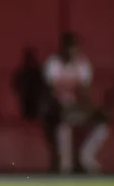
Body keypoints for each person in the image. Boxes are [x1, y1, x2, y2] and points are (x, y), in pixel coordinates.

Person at [43, 32, 109, 173]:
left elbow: (86, 92)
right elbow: (50, 93)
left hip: (77, 107)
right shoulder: (53, 63)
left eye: (74, 47)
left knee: (102, 124)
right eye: (68, 47)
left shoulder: (83, 64)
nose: (71, 51)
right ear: (62, 47)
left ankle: (86, 156)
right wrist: (64, 105)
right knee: (63, 125)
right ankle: (65, 165)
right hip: (57, 109)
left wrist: (90, 109)